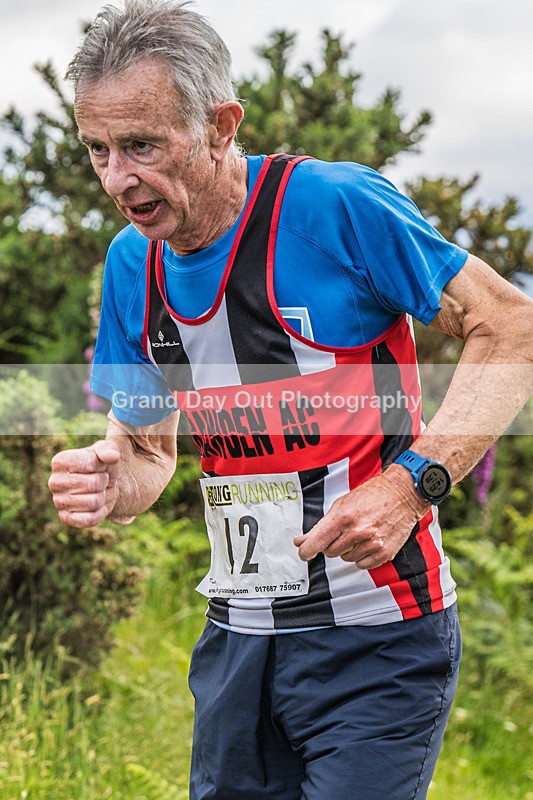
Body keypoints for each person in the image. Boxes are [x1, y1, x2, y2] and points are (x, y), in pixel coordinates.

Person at [48, 2, 533, 798]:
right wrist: (111, 478)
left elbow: (508, 325)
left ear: (219, 125)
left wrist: (413, 483)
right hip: (237, 644)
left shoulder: (332, 207)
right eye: (97, 150)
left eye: (141, 145)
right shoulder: (131, 265)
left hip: (376, 640)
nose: (117, 178)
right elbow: (147, 450)